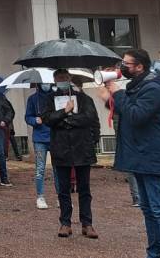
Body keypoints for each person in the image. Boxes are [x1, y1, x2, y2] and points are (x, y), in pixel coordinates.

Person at [98, 49, 160, 258]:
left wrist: (116, 93)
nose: (122, 67)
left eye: (126, 64)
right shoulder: (139, 86)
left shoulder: (153, 88)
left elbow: (136, 115)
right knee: (148, 209)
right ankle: (154, 252)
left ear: (140, 67)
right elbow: (127, 111)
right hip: (139, 154)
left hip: (151, 154)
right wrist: (109, 100)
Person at [42, 69, 100, 239]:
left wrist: (68, 120)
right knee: (63, 189)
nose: (62, 80)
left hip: (82, 148)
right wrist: (64, 112)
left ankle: (87, 223)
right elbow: (48, 119)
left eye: (65, 78)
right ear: (54, 80)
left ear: (70, 79)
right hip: (61, 148)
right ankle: (65, 222)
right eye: (59, 78)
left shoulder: (83, 98)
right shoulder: (49, 99)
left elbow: (89, 118)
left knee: (84, 189)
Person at [25, 81, 54, 209]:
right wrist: (34, 120)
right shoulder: (33, 99)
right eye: (43, 83)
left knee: (59, 169)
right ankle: (40, 196)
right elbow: (27, 117)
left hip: (55, 137)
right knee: (40, 169)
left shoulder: (56, 96)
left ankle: (61, 196)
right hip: (39, 139)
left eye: (48, 82)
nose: (46, 85)